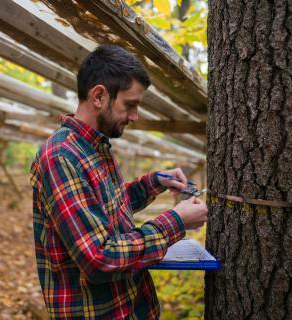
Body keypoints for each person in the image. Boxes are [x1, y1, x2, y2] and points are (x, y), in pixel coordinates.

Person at [30, 45, 208, 319]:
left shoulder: (95, 146)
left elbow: (103, 207)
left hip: (132, 306)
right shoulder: (60, 158)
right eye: (130, 104)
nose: (135, 116)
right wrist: (177, 221)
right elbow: (99, 258)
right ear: (99, 96)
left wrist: (155, 181)